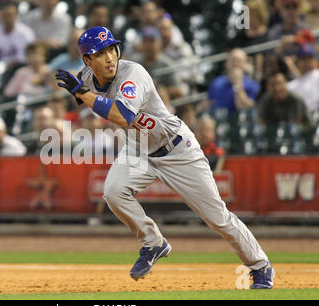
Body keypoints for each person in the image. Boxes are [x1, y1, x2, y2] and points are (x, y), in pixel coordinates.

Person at [55, 26, 274, 288]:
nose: (109, 57)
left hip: (177, 149)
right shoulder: (86, 78)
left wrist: (81, 94)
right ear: (87, 60)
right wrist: (79, 93)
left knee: (217, 218)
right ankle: (153, 242)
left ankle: (261, 266)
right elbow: (83, 96)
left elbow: (120, 115)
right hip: (138, 149)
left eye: (111, 49)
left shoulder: (133, 73)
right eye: (100, 53)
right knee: (113, 192)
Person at [134, 26, 184, 100]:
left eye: (152, 41)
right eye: (145, 41)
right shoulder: (135, 64)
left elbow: (179, 90)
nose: (148, 45)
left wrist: (156, 90)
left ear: (159, 43)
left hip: (163, 105)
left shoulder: (166, 64)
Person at [208, 49, 260, 116]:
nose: (235, 64)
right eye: (233, 60)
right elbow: (209, 103)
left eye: (239, 61)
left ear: (245, 64)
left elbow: (244, 108)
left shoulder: (253, 85)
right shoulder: (217, 82)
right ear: (226, 63)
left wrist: (238, 84)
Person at [287, 44, 319, 114]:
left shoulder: (317, 75)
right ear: (298, 62)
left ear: (315, 60)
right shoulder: (291, 85)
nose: (307, 62)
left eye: (310, 58)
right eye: (304, 59)